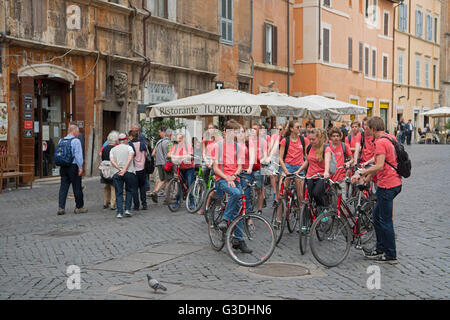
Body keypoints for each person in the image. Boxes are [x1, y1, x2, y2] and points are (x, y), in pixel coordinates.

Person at [351, 116, 402, 264]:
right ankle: (380, 248)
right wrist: (368, 177)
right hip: (394, 181)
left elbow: (379, 165)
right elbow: (385, 162)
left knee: (385, 220)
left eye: (367, 128)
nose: (365, 130)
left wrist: (362, 173)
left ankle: (391, 254)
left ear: (373, 129)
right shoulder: (390, 137)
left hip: (387, 184)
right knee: (376, 215)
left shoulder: (380, 142)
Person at [213, 120, 252, 254]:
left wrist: (234, 175)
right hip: (222, 178)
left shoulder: (238, 147)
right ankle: (225, 219)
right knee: (235, 194)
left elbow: (240, 165)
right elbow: (215, 168)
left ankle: (238, 240)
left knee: (241, 210)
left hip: (235, 178)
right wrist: (227, 177)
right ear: (225, 132)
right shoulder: (218, 146)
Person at [276, 121, 309, 228]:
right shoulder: (285, 140)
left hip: (299, 167)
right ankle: (278, 219)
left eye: (300, 126)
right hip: (288, 167)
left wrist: (300, 170)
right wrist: (285, 171)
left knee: (300, 196)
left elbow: (307, 158)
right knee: (281, 193)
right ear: (291, 129)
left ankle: (302, 223)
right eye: (297, 127)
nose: (299, 128)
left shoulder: (304, 140)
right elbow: (280, 158)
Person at [297, 128, 332, 211]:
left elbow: (327, 162)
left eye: (313, 139)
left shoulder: (326, 148)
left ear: (319, 138)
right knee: (308, 196)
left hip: (321, 176)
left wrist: (326, 172)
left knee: (316, 193)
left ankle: (323, 210)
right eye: (310, 139)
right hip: (310, 176)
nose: (311, 141)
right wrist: (298, 170)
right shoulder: (309, 147)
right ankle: (308, 217)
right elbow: (307, 161)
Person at [57, 124, 87, 215]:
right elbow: (78, 155)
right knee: (77, 187)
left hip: (63, 166)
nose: (78, 134)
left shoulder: (61, 140)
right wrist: (80, 167)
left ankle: (61, 207)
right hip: (73, 166)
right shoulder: (76, 141)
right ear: (74, 131)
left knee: (63, 187)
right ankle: (79, 207)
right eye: (77, 132)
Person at [110, 133, 136, 218]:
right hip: (129, 172)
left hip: (117, 172)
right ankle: (127, 209)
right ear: (125, 140)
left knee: (119, 192)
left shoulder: (113, 149)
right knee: (129, 190)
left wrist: (119, 168)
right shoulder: (129, 148)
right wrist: (125, 169)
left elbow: (112, 161)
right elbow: (130, 158)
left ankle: (119, 212)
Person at [168, 133, 195, 209]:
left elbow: (190, 155)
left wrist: (183, 156)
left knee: (190, 185)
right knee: (179, 185)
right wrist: (179, 156)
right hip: (180, 168)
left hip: (189, 168)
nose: (178, 140)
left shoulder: (188, 146)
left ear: (184, 139)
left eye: (180, 138)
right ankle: (177, 201)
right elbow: (168, 154)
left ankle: (192, 202)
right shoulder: (175, 147)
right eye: (178, 138)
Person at [149, 126, 173, 204]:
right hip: (167, 164)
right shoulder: (169, 142)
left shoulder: (158, 142)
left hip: (159, 164)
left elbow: (153, 154)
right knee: (168, 181)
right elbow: (171, 154)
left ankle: (155, 192)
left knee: (163, 180)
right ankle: (166, 198)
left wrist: (159, 157)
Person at [328, 127, 353, 200]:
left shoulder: (344, 146)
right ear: (330, 137)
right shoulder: (327, 146)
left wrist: (348, 162)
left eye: (337, 136)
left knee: (342, 199)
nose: (336, 138)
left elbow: (352, 159)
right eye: (334, 136)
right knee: (332, 201)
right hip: (330, 178)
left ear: (340, 137)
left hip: (341, 177)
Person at [130, 130, 148, 210]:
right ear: (138, 136)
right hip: (142, 168)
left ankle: (136, 205)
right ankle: (144, 204)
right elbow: (146, 154)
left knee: (134, 188)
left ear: (131, 136)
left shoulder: (130, 145)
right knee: (142, 187)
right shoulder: (142, 144)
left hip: (134, 169)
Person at [101, 130, 119, 210]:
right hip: (112, 169)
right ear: (116, 140)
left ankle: (105, 202)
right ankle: (112, 204)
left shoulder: (104, 148)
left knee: (106, 186)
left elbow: (102, 158)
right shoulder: (115, 149)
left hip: (104, 169)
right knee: (113, 187)